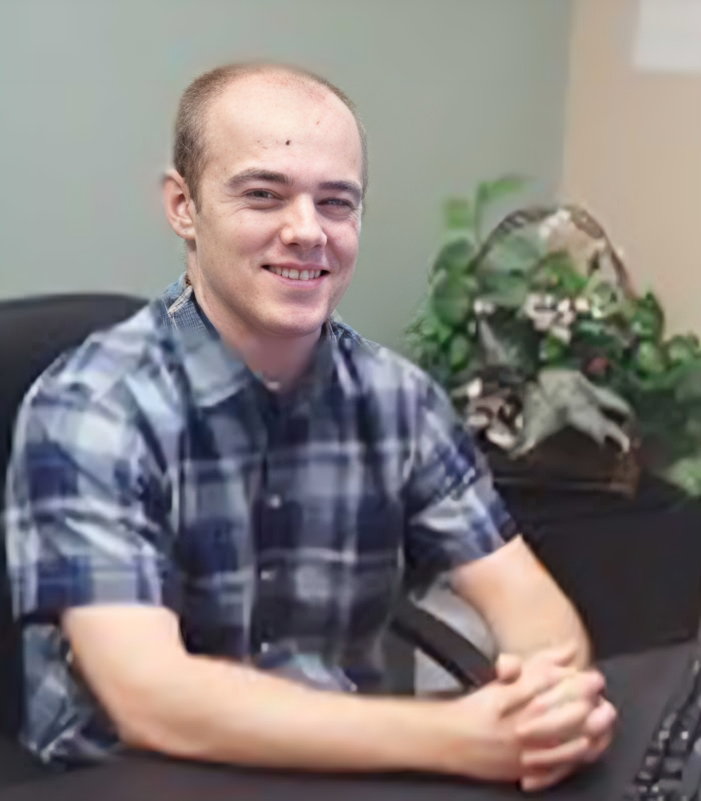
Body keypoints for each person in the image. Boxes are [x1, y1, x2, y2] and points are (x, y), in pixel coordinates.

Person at [5, 62, 616, 792]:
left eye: (336, 203)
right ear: (183, 206)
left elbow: (526, 601)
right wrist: (457, 736)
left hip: (346, 762)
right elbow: (149, 697)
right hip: (132, 775)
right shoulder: (92, 405)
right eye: (263, 195)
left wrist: (551, 701)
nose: (306, 231)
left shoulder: (399, 401)